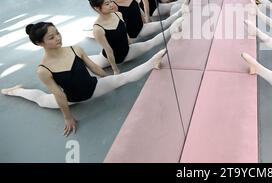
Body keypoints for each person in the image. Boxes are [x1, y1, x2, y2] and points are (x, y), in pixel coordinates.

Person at [1, 22, 167, 136]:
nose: (58, 38)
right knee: (41, 99)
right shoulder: (43, 69)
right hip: (72, 98)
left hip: (93, 87)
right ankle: (15, 91)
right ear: (39, 43)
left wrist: (107, 79)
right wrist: (67, 117)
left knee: (124, 78)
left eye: (57, 33)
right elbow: (59, 95)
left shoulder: (75, 49)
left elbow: (94, 68)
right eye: (51, 37)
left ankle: (152, 63)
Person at [87, 0, 183, 74]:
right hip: (108, 58)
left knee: (150, 43)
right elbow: (109, 50)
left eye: (111, 1)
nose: (112, 5)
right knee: (88, 62)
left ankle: (175, 24)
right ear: (97, 8)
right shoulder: (97, 28)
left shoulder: (118, 14)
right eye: (107, 4)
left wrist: (129, 41)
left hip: (127, 51)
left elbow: (124, 31)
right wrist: (115, 69)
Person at [108, 0, 185, 40]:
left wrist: (147, 20)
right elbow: (120, 26)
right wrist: (127, 39)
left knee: (163, 24)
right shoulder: (114, 5)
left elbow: (139, 10)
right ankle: (183, 12)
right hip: (133, 34)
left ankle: (183, 13)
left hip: (142, 27)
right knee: (164, 25)